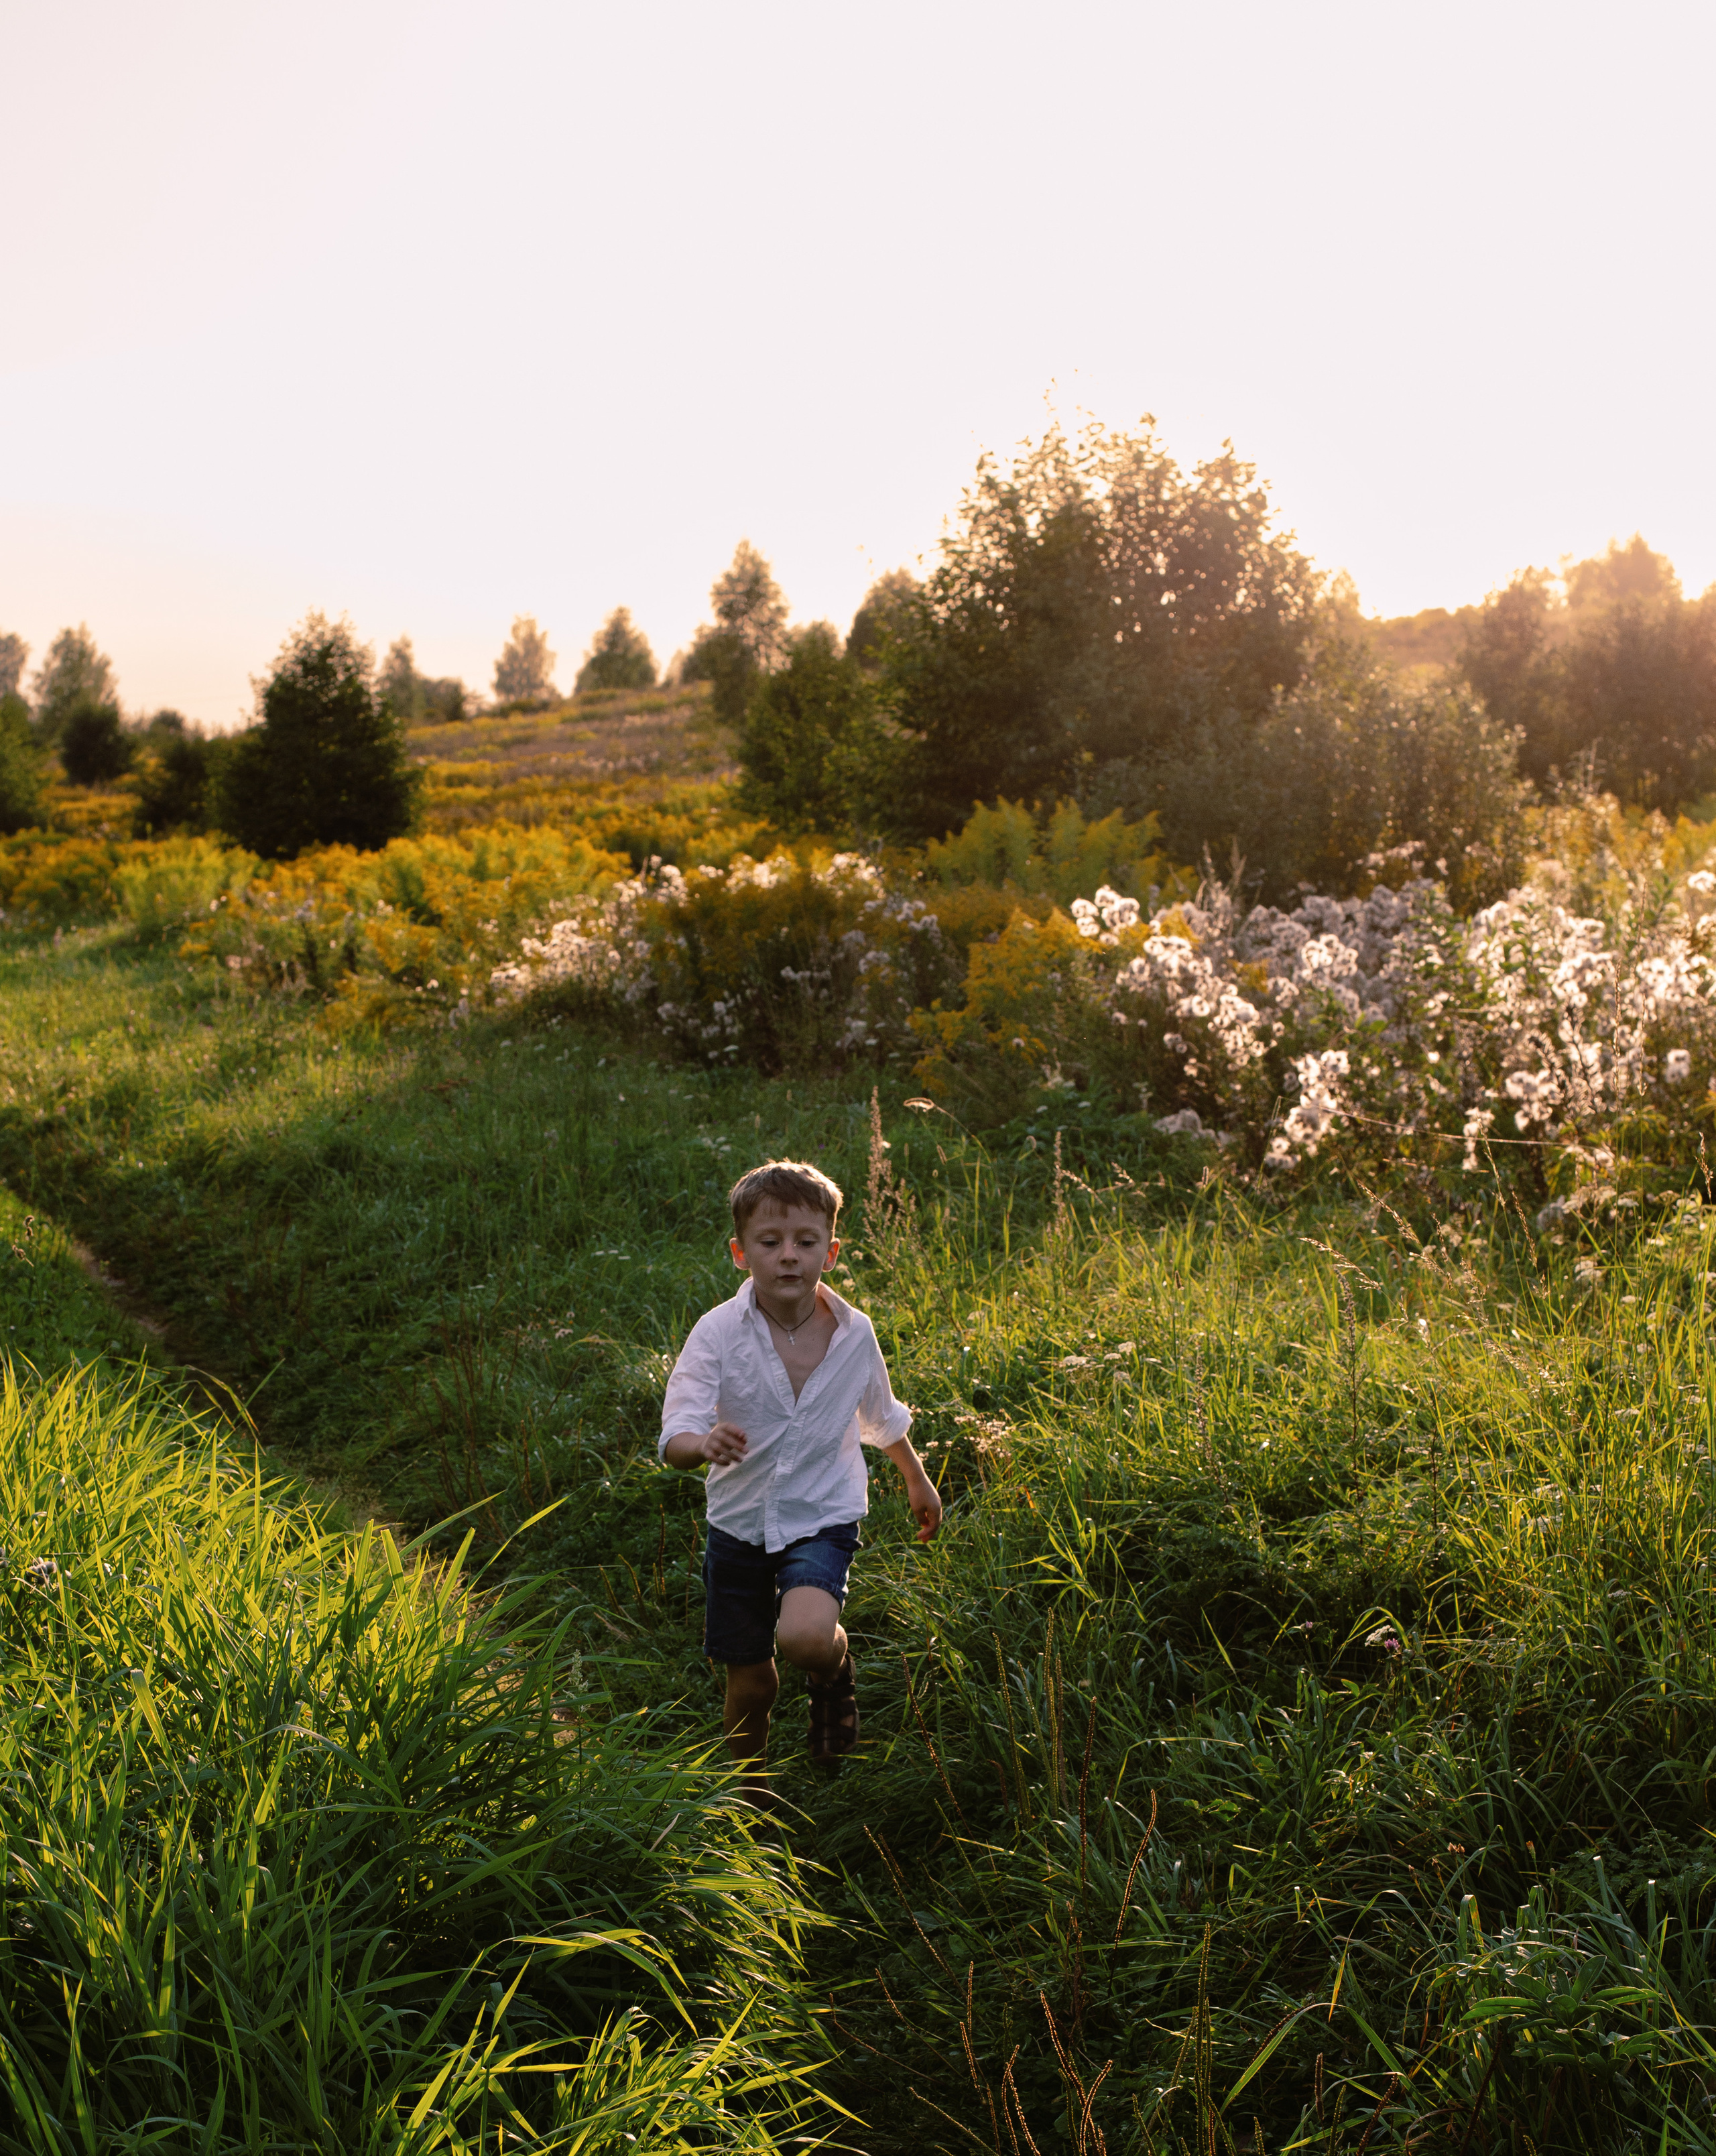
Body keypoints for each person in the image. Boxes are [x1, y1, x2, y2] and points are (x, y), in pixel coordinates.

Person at [660, 1158, 941, 1797]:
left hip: (822, 1512)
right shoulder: (717, 1333)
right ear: (740, 1253)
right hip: (739, 1524)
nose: (789, 1255)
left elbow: (880, 1415)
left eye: (806, 1242)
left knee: (806, 1639)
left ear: (830, 1252)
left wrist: (916, 1479)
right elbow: (676, 1434)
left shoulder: (854, 1333)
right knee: (752, 1685)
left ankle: (830, 1668)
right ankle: (749, 1796)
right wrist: (702, 1443)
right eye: (770, 1242)